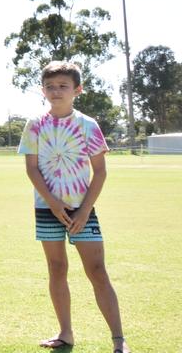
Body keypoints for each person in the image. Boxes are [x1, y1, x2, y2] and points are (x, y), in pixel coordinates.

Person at [19, 61, 127, 353]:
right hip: (47, 210)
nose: (56, 91)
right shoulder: (35, 125)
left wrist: (83, 211)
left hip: (83, 210)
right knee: (57, 269)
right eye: (50, 87)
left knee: (97, 270)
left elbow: (100, 172)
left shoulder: (88, 125)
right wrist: (53, 204)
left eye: (63, 86)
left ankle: (119, 339)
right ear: (43, 90)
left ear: (77, 90)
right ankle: (65, 333)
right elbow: (31, 169)